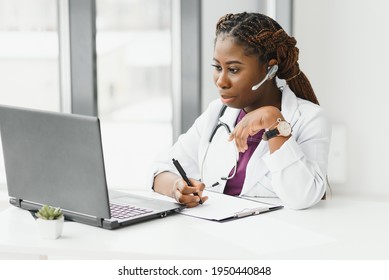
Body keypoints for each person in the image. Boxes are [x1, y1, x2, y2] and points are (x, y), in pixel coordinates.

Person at [151, 12, 331, 210]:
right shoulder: (217, 112)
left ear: (270, 69)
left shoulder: (309, 118)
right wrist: (176, 188)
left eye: (234, 70)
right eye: (217, 67)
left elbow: (302, 197)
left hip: (278, 237)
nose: (221, 81)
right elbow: (161, 169)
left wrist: (274, 121)